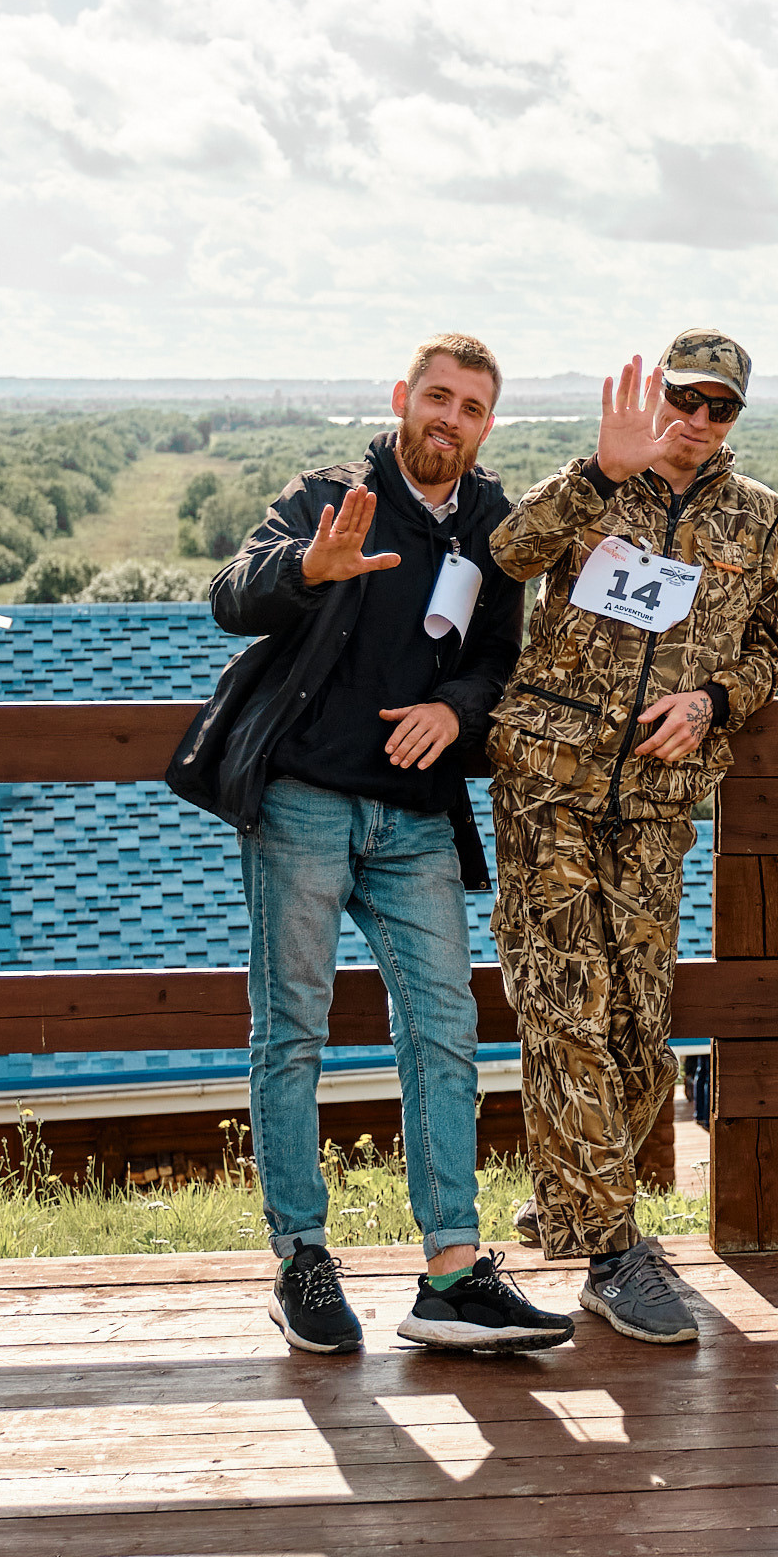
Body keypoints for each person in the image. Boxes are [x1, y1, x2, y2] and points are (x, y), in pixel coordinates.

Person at [168, 333, 572, 1356]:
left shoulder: (490, 521)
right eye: (437, 397)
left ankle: (450, 1274)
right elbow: (230, 593)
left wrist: (455, 708)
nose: (450, 418)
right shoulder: (328, 493)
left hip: (416, 815)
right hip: (304, 798)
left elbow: (495, 662)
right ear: (403, 397)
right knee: (291, 1030)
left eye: (472, 407)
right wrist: (311, 566)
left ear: (488, 424)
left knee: (444, 1026)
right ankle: (300, 1254)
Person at [486, 330, 778, 1345]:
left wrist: (711, 700)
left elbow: (763, 651)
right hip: (550, 789)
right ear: (656, 394)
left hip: (658, 805)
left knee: (635, 1030)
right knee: (569, 1005)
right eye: (686, 399)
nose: (699, 421)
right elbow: (508, 553)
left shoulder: (758, 515)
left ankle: (571, 1195)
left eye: (721, 408)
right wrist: (596, 472)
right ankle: (613, 1249)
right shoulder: (594, 481)